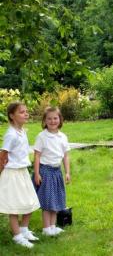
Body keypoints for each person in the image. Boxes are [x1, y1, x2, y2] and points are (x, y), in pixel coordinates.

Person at [0, 102, 40, 248]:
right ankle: (17, 236)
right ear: (12, 116)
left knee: (30, 201)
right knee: (15, 206)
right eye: (22, 112)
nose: (26, 114)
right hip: (12, 174)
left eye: (26, 111)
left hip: (22, 171)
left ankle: (24, 229)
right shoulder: (11, 135)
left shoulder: (22, 131)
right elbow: (3, 155)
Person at [33, 106, 71, 236]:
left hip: (57, 172)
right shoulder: (42, 136)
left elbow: (65, 156)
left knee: (56, 200)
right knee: (47, 201)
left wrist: (67, 172)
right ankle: (46, 228)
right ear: (44, 120)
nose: (52, 121)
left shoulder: (63, 137)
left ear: (60, 120)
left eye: (55, 118)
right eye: (49, 119)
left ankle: (53, 226)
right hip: (45, 172)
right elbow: (37, 155)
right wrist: (37, 173)